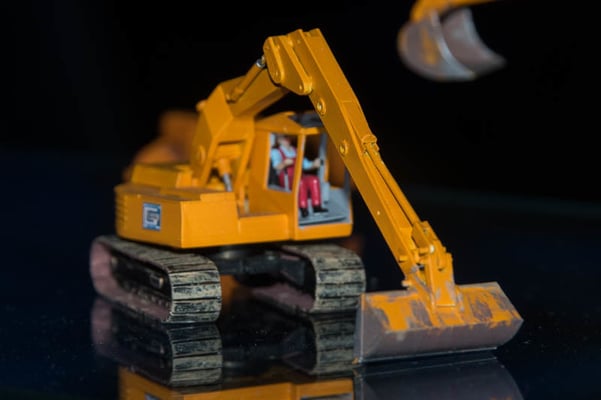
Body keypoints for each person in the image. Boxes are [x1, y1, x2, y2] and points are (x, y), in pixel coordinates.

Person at [270, 134, 328, 218]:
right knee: (300, 183)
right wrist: (284, 163)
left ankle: (316, 206)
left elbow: (305, 164)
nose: (286, 140)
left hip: (300, 176)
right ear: (279, 140)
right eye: (283, 138)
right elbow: (276, 166)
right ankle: (303, 208)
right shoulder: (276, 152)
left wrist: (314, 164)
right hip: (287, 178)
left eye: (287, 138)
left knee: (314, 179)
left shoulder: (296, 150)